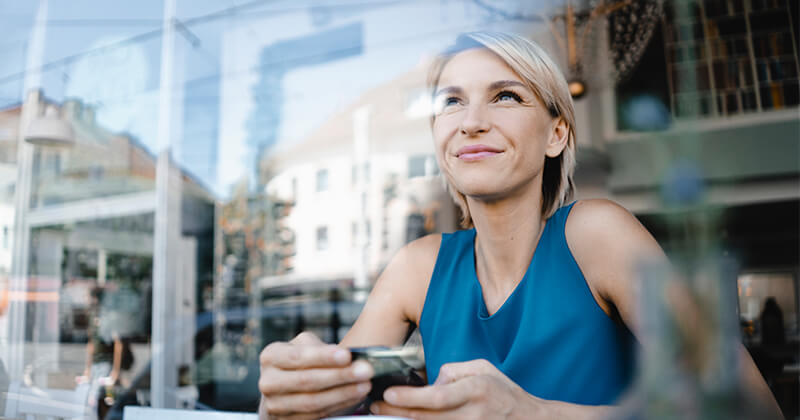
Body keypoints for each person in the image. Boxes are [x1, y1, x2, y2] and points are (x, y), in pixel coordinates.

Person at [257, 32, 782, 419]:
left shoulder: (596, 235)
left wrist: (528, 412)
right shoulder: (419, 266)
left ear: (556, 134)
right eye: (452, 101)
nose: (471, 121)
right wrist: (295, 388)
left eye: (505, 96)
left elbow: (750, 408)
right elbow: (336, 402)